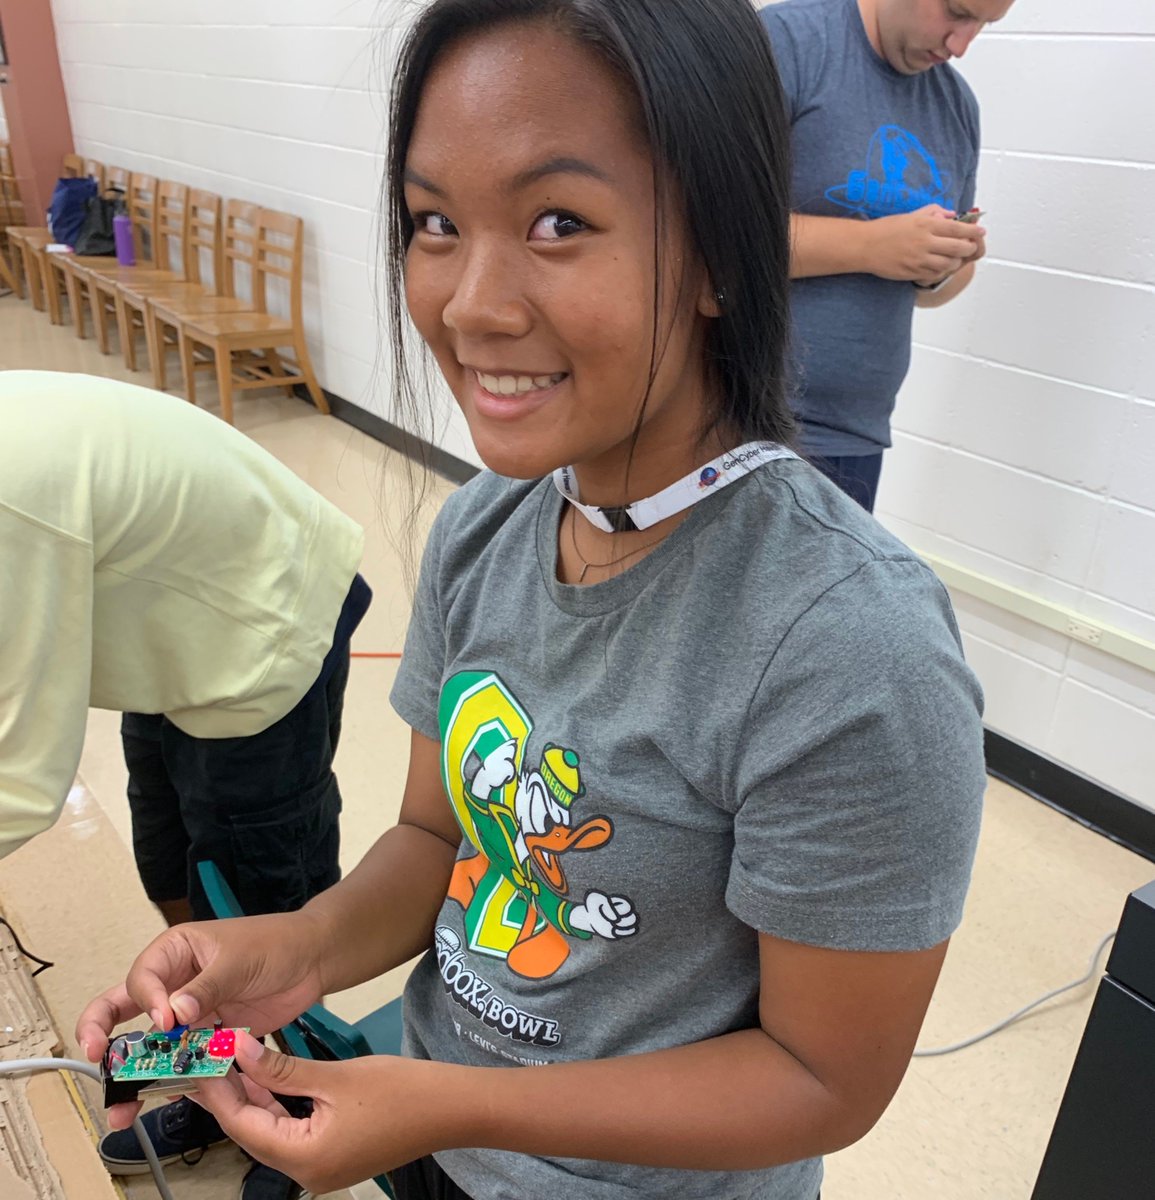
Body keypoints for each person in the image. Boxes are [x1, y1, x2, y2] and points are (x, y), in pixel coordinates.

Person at [77, 3, 987, 1198]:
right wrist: (296, 950)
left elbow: (824, 1080)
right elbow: (434, 839)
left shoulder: (851, 647)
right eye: (435, 222)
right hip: (436, 1138)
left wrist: (446, 1103)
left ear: (720, 254)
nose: (468, 305)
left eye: (559, 221)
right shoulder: (483, 529)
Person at [0, 370, 369, 1198]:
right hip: (181, 623)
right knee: (171, 868)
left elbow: (22, 783)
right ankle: (217, 1064)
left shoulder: (6, 503)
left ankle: (292, 1107)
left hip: (261, 623)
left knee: (258, 895)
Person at [760, 0, 1014, 511]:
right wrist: (874, 247)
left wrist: (944, 262)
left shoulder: (957, 106)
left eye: (985, 25)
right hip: (733, 418)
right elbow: (699, 232)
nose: (961, 45)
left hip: (854, 438)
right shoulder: (785, 43)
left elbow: (932, 295)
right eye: (957, 12)